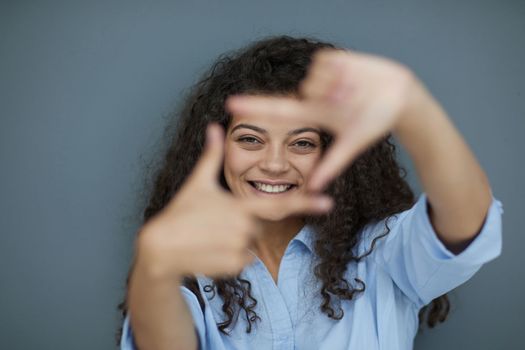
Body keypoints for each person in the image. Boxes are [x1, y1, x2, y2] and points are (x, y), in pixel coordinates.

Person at [117, 35, 503, 350]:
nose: (274, 163)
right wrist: (155, 271)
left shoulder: (380, 253)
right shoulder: (184, 269)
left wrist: (413, 106)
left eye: (302, 143)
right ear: (215, 148)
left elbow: (467, 219)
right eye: (250, 139)